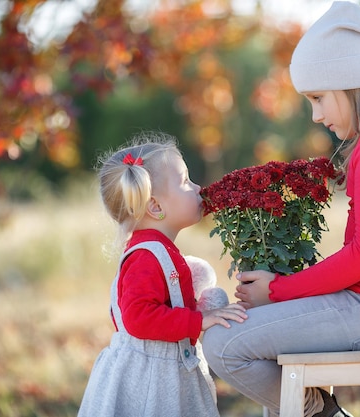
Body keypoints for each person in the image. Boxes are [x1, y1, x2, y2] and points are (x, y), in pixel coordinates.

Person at [202, 2, 360, 417]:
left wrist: (277, 291)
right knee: (265, 343)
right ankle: (314, 408)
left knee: (223, 343)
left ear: (350, 82)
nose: (316, 115)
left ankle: (323, 414)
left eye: (318, 98)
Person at [78, 132, 248, 417]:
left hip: (166, 371)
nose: (197, 188)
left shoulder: (160, 250)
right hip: (149, 380)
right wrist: (199, 320)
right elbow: (138, 317)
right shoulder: (145, 257)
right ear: (155, 207)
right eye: (185, 182)